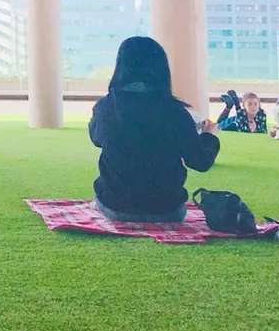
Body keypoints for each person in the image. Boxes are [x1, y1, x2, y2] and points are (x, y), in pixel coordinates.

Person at [89, 36, 220, 223]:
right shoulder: (176, 112)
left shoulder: (106, 107)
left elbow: (96, 139)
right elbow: (200, 162)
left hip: (116, 207)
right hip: (168, 210)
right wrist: (209, 135)